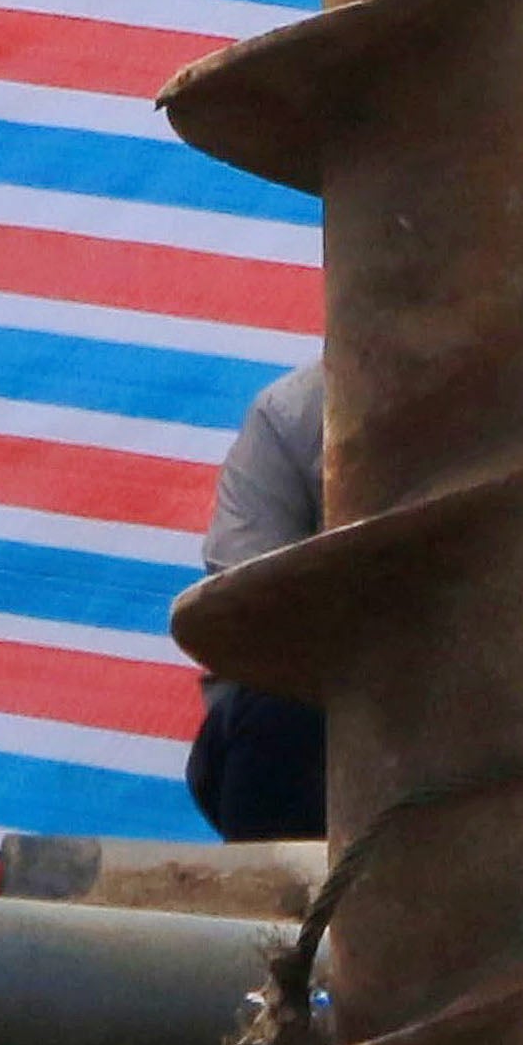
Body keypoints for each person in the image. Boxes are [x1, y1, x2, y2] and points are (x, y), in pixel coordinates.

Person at [186, 354, 325, 844]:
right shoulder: (292, 413)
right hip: (321, 700)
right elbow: (245, 612)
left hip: (501, 701)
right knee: (277, 716)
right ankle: (281, 915)